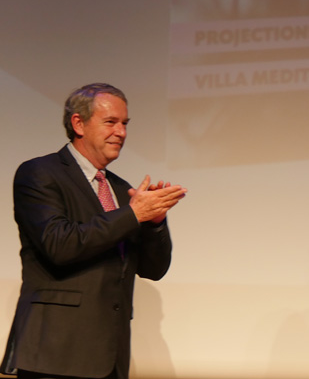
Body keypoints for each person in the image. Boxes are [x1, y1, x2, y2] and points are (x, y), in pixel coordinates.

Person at [1, 83, 187, 379]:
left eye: (125, 124)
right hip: (54, 355)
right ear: (78, 123)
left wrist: (154, 223)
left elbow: (153, 270)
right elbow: (59, 244)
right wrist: (133, 214)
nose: (121, 132)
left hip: (109, 359)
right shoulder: (40, 173)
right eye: (111, 122)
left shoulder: (120, 189)